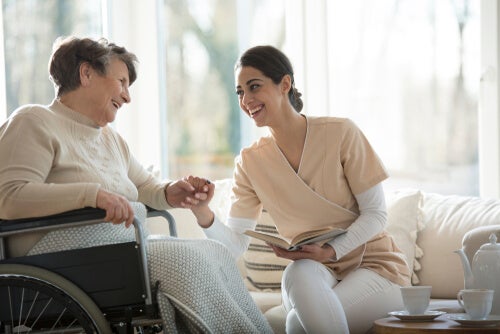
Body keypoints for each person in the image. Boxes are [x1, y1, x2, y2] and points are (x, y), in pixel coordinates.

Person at [0, 36, 272, 334]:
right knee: (188, 262)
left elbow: (145, 187)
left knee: (213, 253)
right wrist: (93, 195)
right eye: (122, 81)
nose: (127, 97)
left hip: (115, 251)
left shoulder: (110, 139)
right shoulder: (34, 120)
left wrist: (172, 192)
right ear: (86, 73)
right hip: (60, 258)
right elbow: (9, 196)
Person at [187, 45, 412, 334]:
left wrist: (330, 251)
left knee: (296, 323)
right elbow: (234, 245)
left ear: (285, 84)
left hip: (375, 267)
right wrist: (201, 211)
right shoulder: (250, 161)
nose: (246, 100)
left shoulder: (341, 133)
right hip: (313, 270)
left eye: (254, 87)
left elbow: (376, 214)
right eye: (240, 92)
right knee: (297, 272)